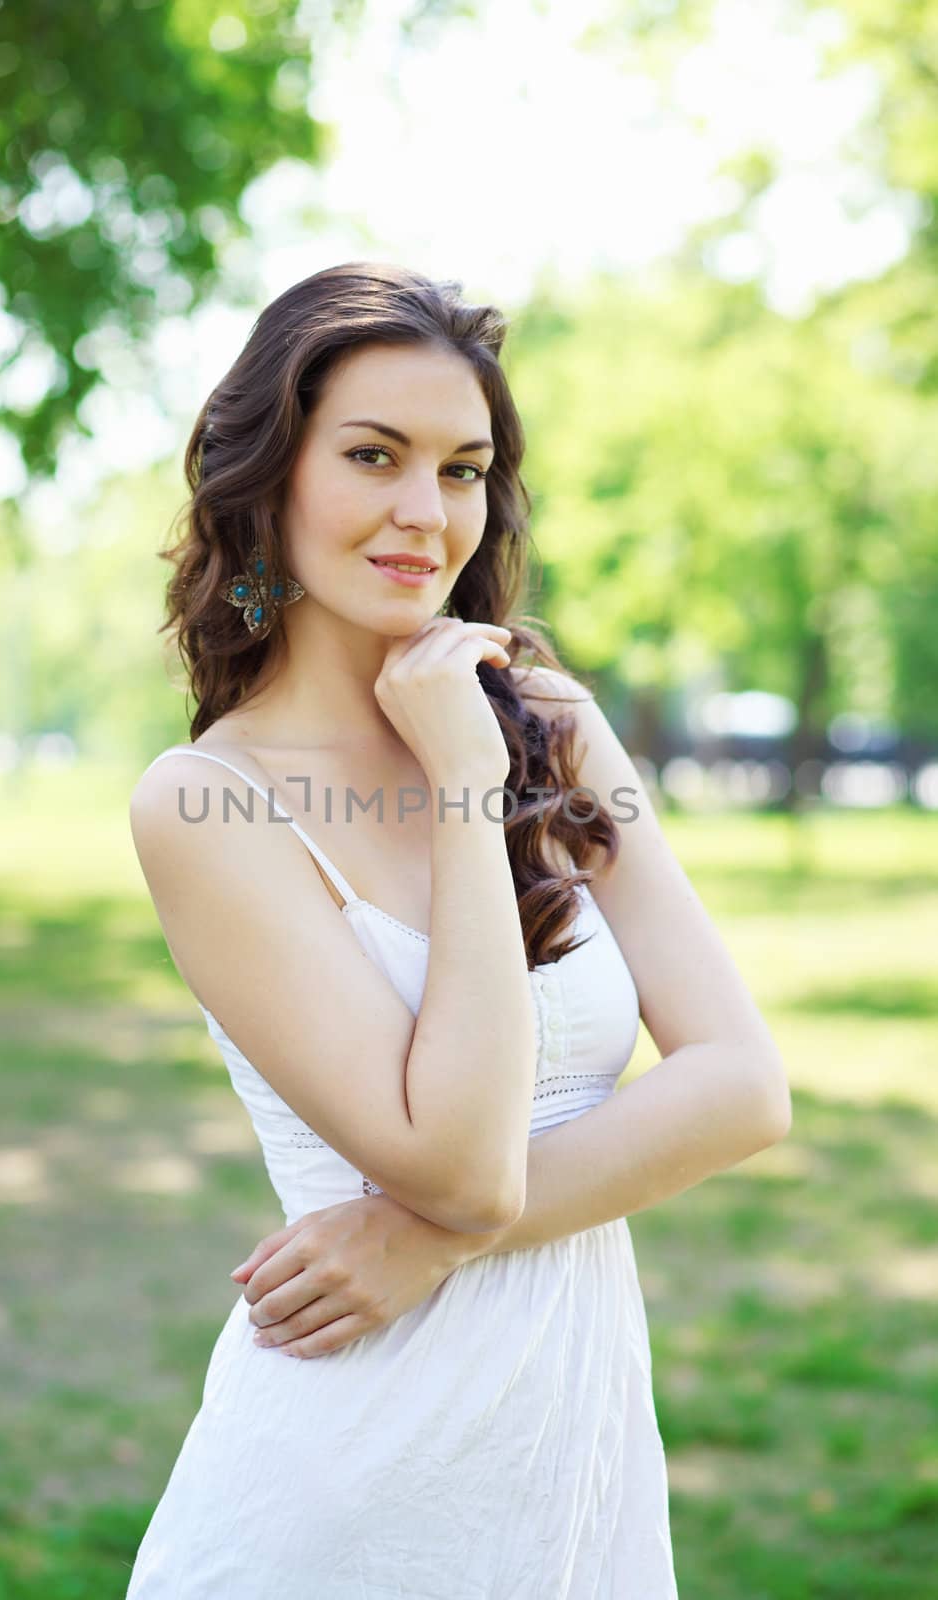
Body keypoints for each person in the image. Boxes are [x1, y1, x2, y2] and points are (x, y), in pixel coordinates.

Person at [124, 261, 791, 1597]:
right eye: (374, 456)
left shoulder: (556, 721)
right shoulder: (208, 801)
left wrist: (416, 1239)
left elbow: (742, 1086)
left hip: (572, 1471)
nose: (424, 513)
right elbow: (462, 1161)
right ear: (273, 477)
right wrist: (465, 793)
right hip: (342, 1484)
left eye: (463, 468)